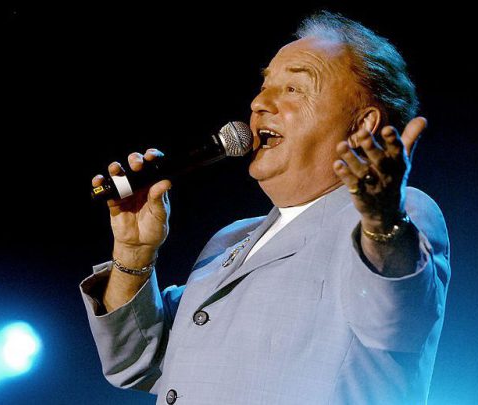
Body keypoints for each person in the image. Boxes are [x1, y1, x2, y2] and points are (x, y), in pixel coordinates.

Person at [81, 11, 450, 405]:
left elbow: (393, 318)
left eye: (294, 88)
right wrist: (133, 254)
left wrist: (383, 220)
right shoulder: (231, 240)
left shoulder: (395, 216)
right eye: (264, 85)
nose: (259, 103)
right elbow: (135, 361)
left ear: (362, 125)